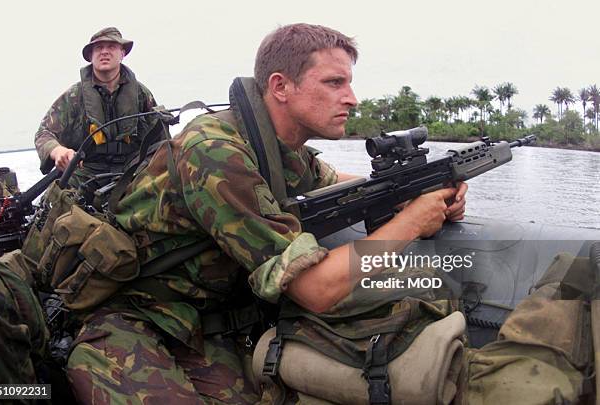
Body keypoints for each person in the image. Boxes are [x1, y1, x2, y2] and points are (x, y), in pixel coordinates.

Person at [65, 23, 467, 403]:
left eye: (349, 82)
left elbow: (334, 180)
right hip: (135, 316)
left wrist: (408, 195)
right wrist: (413, 220)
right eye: (334, 82)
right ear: (280, 86)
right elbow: (314, 289)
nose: (351, 98)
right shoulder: (215, 151)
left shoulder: (280, 147)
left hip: (205, 320)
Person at [34, 27, 170, 188]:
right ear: (91, 56)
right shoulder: (74, 96)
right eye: (98, 48)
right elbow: (43, 134)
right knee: (57, 197)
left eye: (111, 47)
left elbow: (162, 138)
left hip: (134, 171)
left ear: (122, 53)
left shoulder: (141, 94)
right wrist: (58, 151)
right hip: (86, 173)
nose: (104, 52)